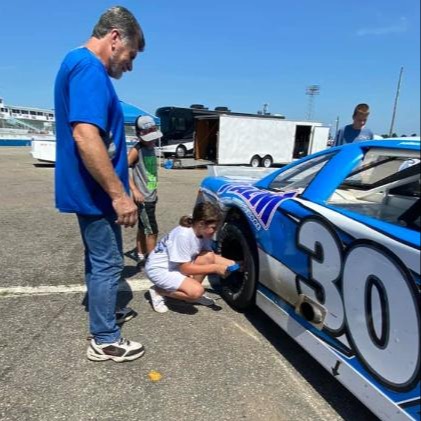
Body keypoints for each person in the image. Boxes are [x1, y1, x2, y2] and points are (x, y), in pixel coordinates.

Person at [54, 6, 146, 362]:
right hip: (95, 193)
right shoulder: (89, 68)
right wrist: (118, 195)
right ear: (115, 38)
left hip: (91, 190)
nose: (130, 64)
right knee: (108, 263)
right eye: (130, 55)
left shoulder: (76, 62)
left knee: (99, 261)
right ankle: (105, 338)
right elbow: (85, 135)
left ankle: (103, 317)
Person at [145, 202, 236, 313]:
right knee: (196, 292)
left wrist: (234, 264)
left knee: (207, 257)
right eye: (213, 227)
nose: (215, 231)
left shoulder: (202, 231)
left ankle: (189, 293)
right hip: (160, 269)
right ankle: (159, 291)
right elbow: (185, 269)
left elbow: (210, 256)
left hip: (176, 265)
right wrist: (216, 268)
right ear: (201, 224)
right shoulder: (183, 235)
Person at [128, 115, 162, 265]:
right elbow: (122, 169)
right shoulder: (137, 150)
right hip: (143, 199)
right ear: (139, 135)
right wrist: (134, 190)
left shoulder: (151, 147)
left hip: (151, 196)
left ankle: (140, 252)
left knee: (143, 226)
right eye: (149, 137)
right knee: (152, 230)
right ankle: (152, 262)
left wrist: (154, 191)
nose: (152, 140)